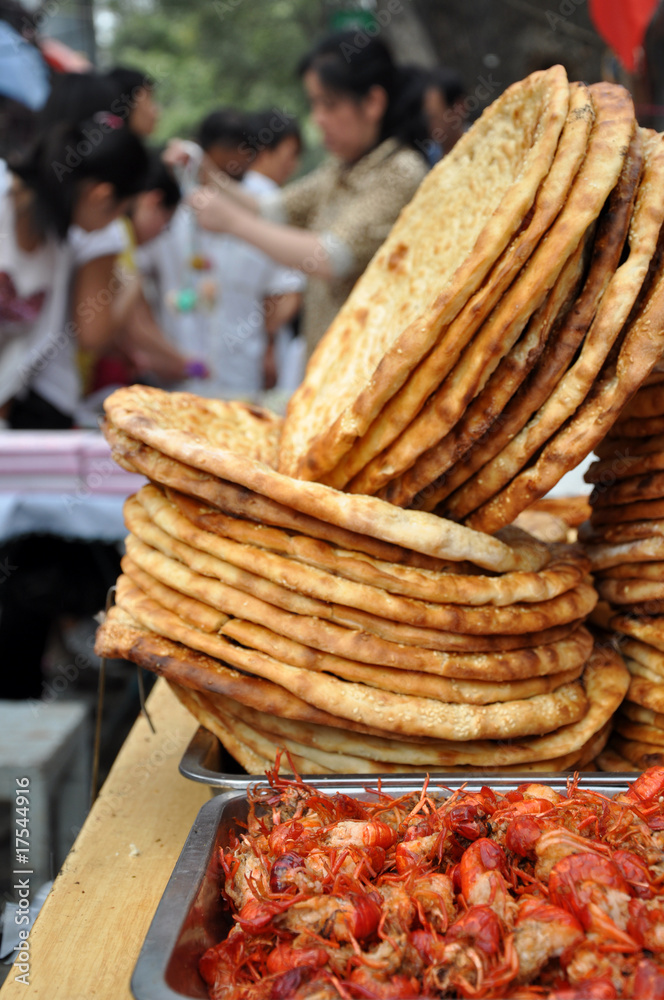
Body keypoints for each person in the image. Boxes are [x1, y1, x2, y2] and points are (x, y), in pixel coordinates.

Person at [186, 31, 430, 358]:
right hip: (327, 357)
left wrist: (232, 223)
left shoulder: (400, 171)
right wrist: (208, 175)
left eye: (330, 104)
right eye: (314, 104)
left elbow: (332, 256)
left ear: (373, 102)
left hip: (370, 362)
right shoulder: (340, 167)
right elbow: (272, 209)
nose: (318, 119)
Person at [0, 116, 150, 427]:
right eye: (122, 213)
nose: (115, 227)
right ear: (102, 196)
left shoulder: (59, 246)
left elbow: (20, 357)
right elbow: (94, 334)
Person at [242, 110, 305, 392]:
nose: (293, 164)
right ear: (265, 151)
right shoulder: (274, 203)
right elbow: (288, 295)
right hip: (261, 351)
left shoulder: (219, 195)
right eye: (290, 153)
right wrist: (268, 345)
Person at [423, 67, 467, 165]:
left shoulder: (483, 145)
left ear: (459, 108)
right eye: (428, 117)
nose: (431, 125)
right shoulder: (427, 159)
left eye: (434, 117)